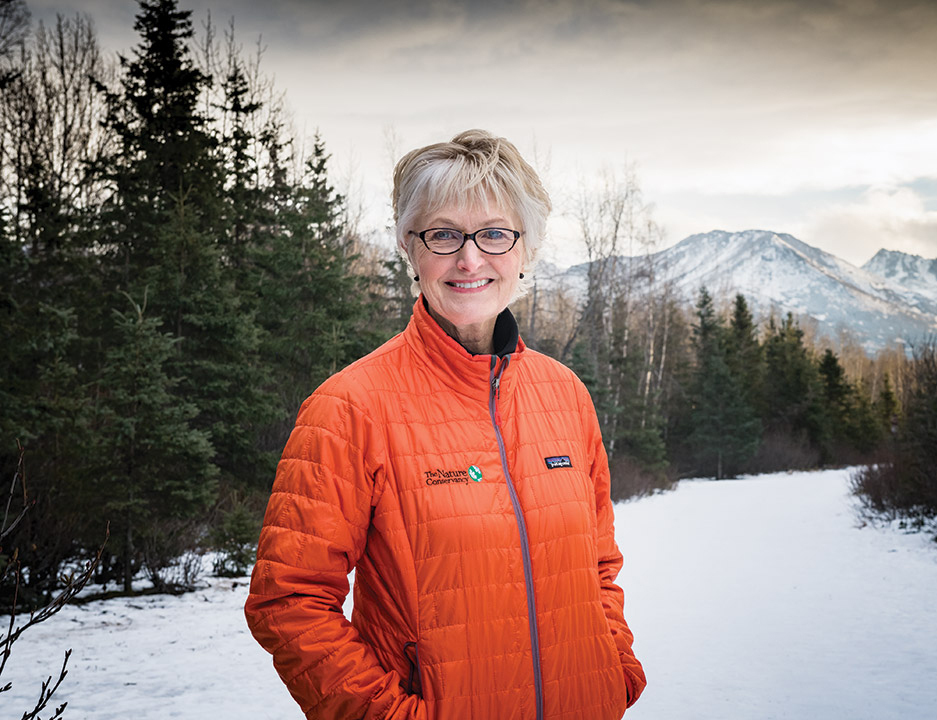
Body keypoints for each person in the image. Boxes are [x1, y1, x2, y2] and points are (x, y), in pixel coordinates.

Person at [245, 129, 646, 720]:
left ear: (525, 248)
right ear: (411, 248)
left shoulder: (564, 394)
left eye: (494, 233)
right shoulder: (351, 406)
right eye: (443, 234)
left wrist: (613, 669)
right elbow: (289, 600)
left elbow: (597, 567)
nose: (469, 257)